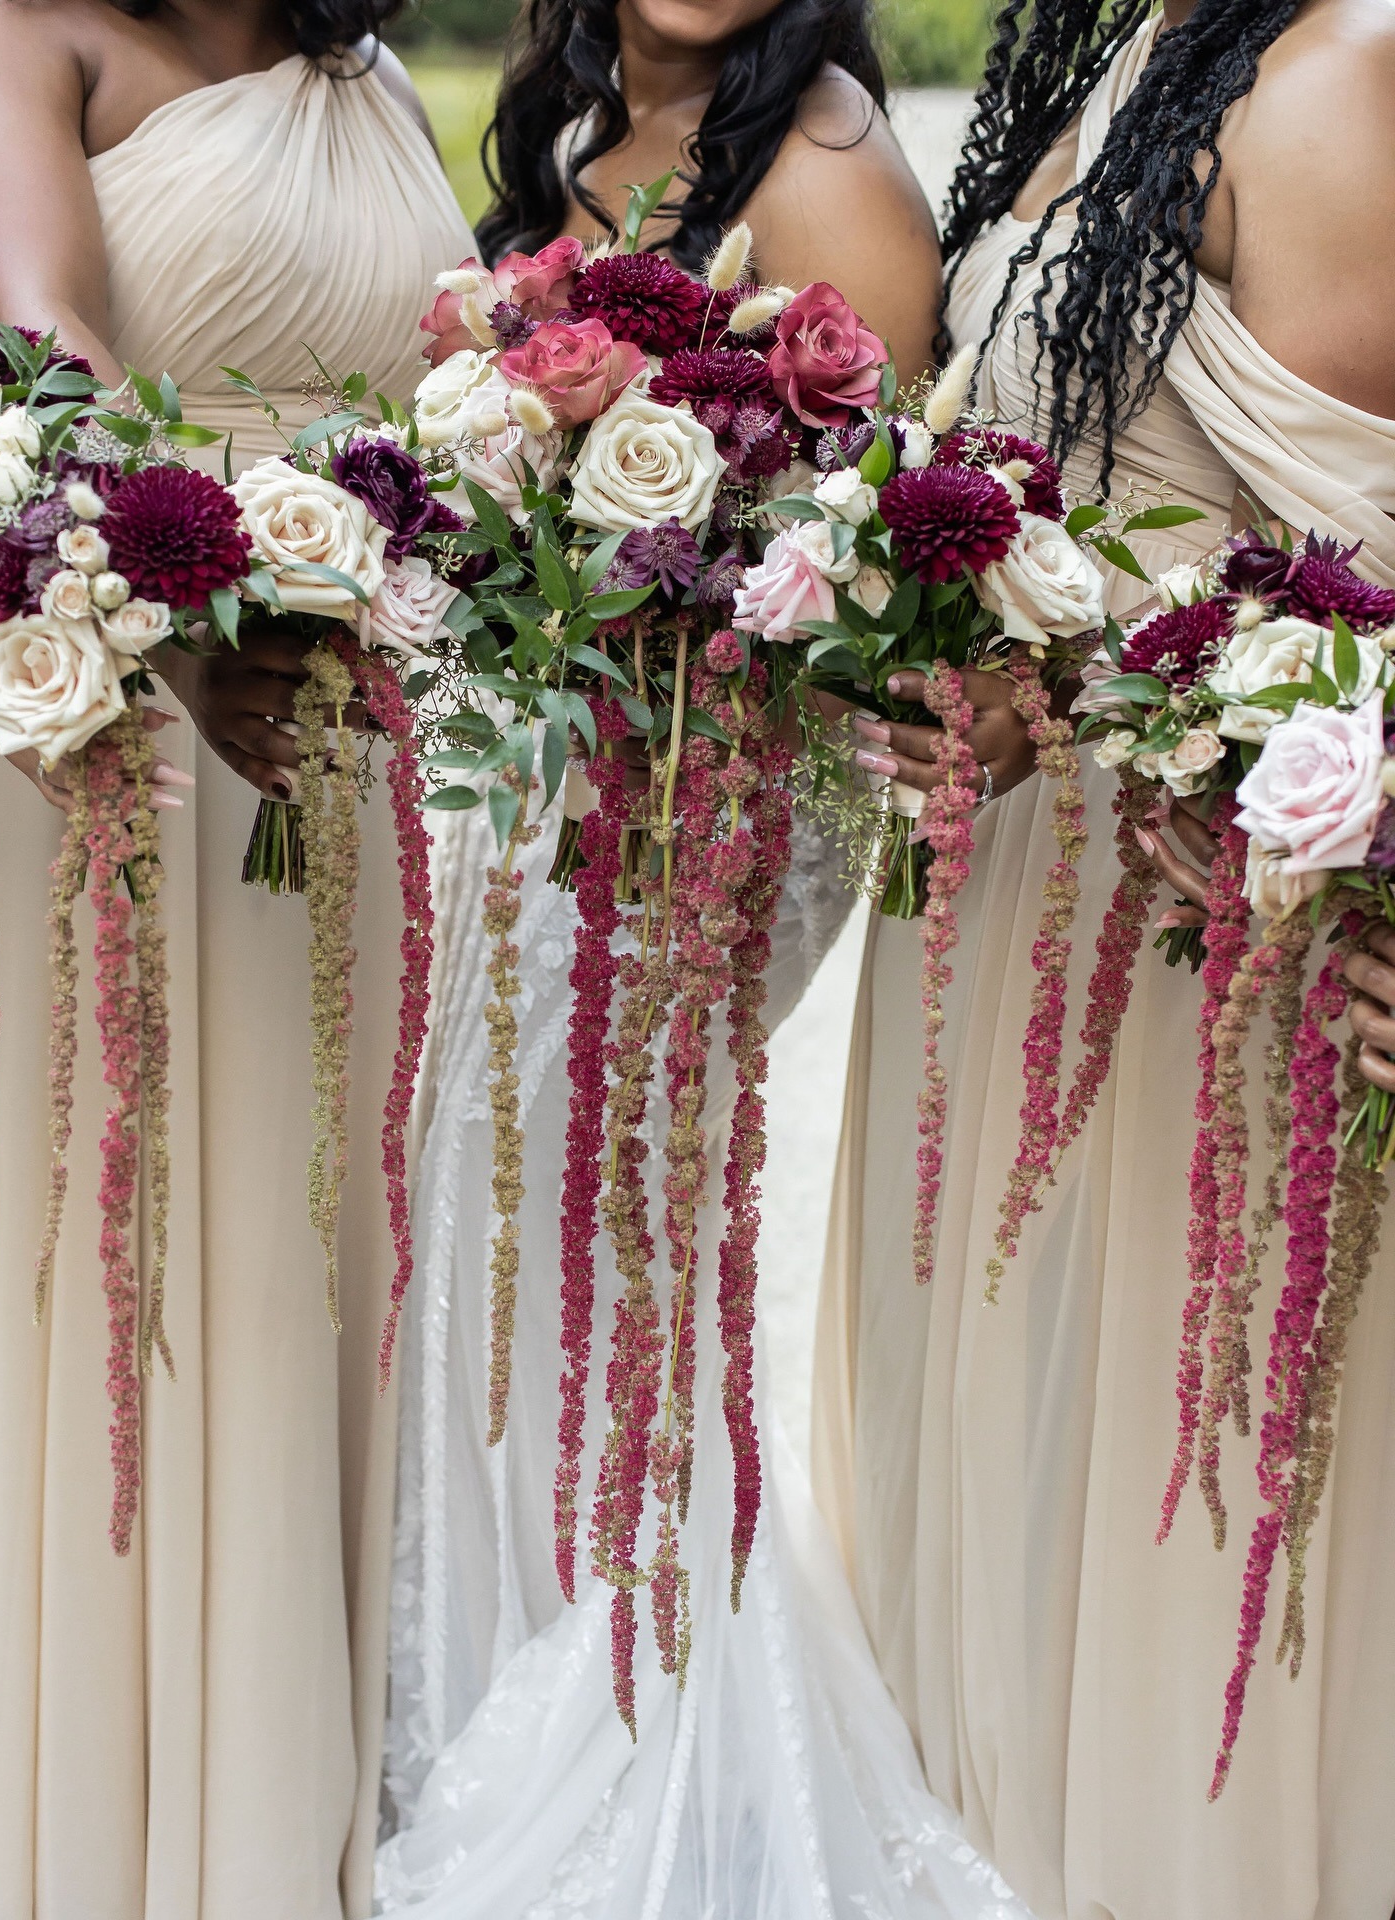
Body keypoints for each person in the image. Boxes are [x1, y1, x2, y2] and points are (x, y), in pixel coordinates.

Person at [371, 5, 1032, 1916]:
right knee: (485, 1250)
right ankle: (487, 1689)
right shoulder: (586, 121)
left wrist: (691, 793)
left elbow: (877, 567)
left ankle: (654, 1754)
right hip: (542, 780)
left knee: (605, 1251)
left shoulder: (828, 171)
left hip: (704, 819)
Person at [814, 1, 1395, 1916]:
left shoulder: (1335, 78)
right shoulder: (1134, 47)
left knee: (1164, 1498)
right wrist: (979, 661)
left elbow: (1342, 600)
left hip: (1190, 949)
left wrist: (1073, 691)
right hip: (1014, 897)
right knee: (1008, 1478)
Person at [0, 6, 473, 1916]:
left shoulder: (371, 76)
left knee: (293, 1281)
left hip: (334, 748)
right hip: (115, 733)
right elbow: (42, 358)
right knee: (112, 1283)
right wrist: (198, 633)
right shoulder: (21, 33)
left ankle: (268, 1836)